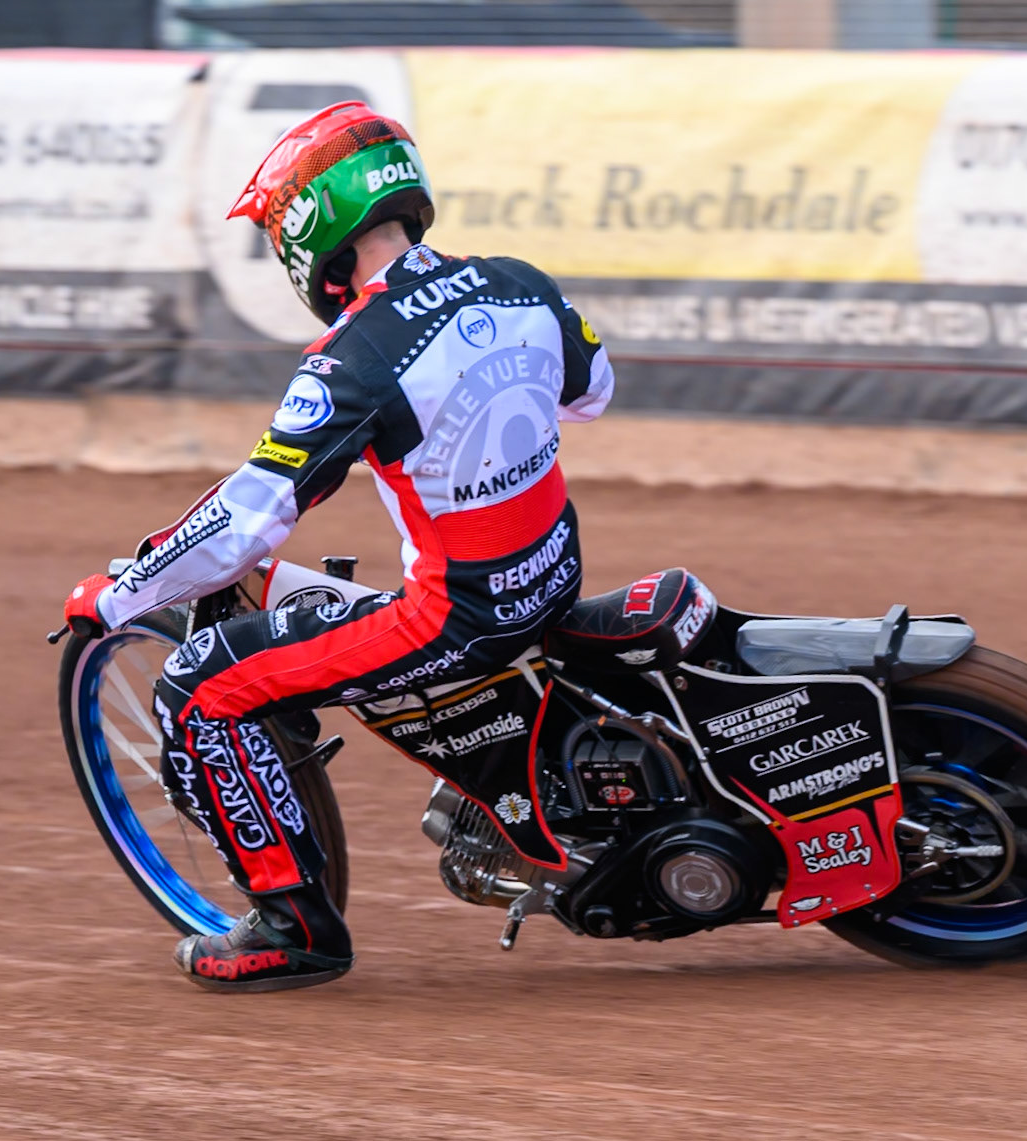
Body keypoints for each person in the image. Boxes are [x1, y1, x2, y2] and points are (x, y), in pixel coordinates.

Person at [61, 102, 614, 993]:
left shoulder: (352, 357)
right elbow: (592, 392)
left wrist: (122, 594)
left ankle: (293, 923)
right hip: (550, 576)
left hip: (456, 619)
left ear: (313, 225)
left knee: (200, 687)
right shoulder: (520, 283)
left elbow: (245, 518)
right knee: (280, 596)